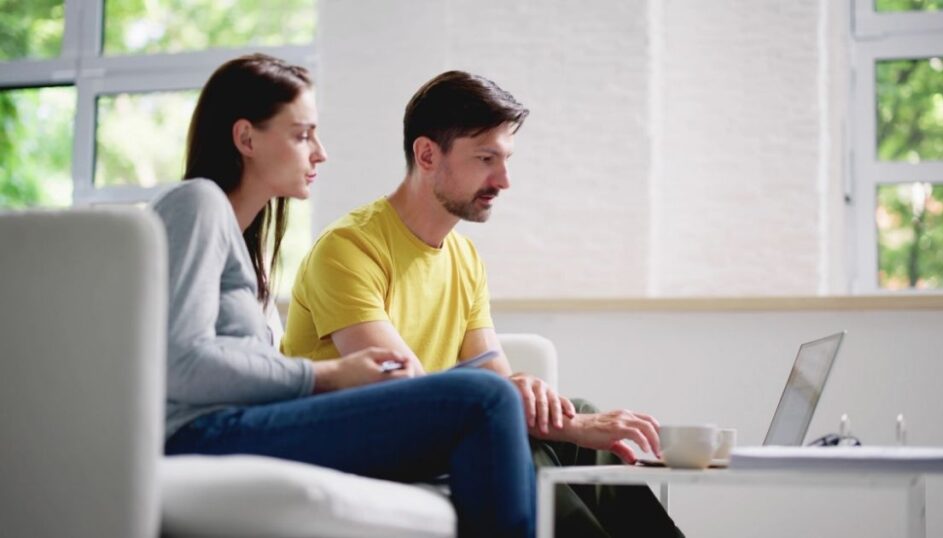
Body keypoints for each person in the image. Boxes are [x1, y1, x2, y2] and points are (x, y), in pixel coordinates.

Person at [282, 70, 684, 538]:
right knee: (516, 440)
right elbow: (399, 393)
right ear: (427, 154)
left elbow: (496, 382)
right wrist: (554, 418)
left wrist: (564, 414)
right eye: (486, 158)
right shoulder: (349, 248)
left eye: (506, 158)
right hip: (360, 438)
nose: (504, 180)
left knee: (587, 426)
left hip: (437, 427)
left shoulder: (463, 257)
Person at [152, 54, 536, 538]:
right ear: (246, 138)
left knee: (494, 395)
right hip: (197, 436)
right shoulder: (199, 202)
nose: (319, 152)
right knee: (484, 397)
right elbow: (180, 364)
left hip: (234, 425)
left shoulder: (240, 239)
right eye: (302, 134)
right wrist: (329, 374)